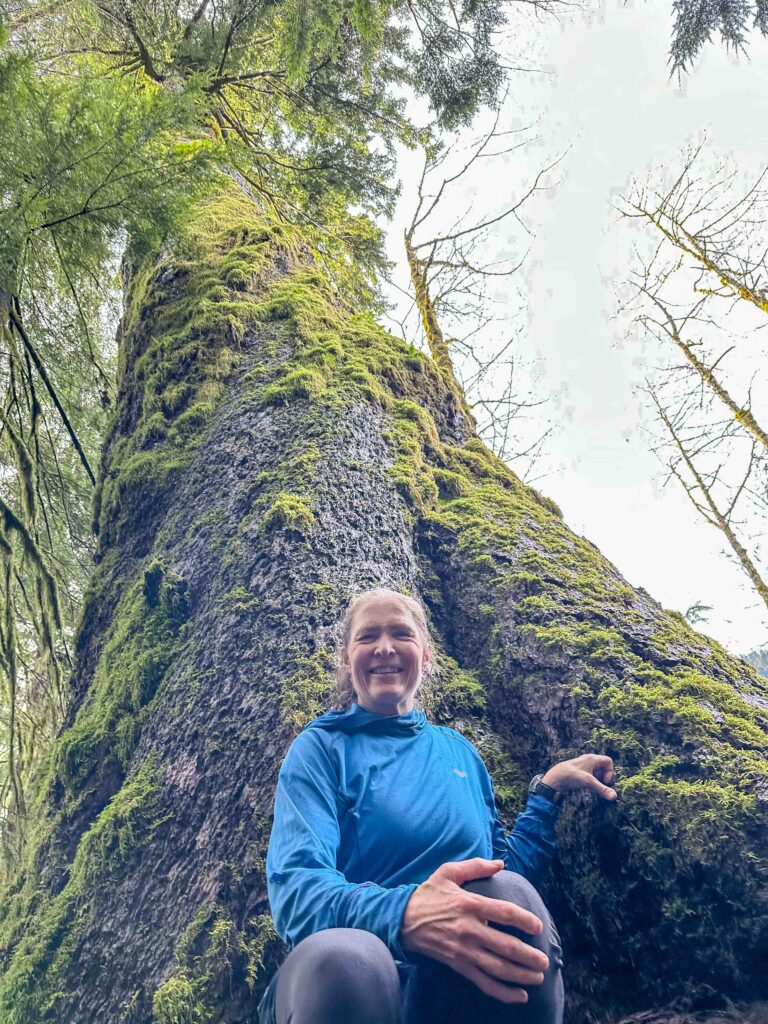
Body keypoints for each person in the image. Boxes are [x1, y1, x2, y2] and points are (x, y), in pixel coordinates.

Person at [259, 587, 617, 1024]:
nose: (385, 647)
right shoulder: (320, 749)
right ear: (346, 657)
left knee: (511, 900)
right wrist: (406, 913)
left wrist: (545, 792)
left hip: (450, 994)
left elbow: (501, 873)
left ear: (425, 654)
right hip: (352, 987)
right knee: (349, 960)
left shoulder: (459, 754)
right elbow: (298, 892)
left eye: (401, 634)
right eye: (367, 636)